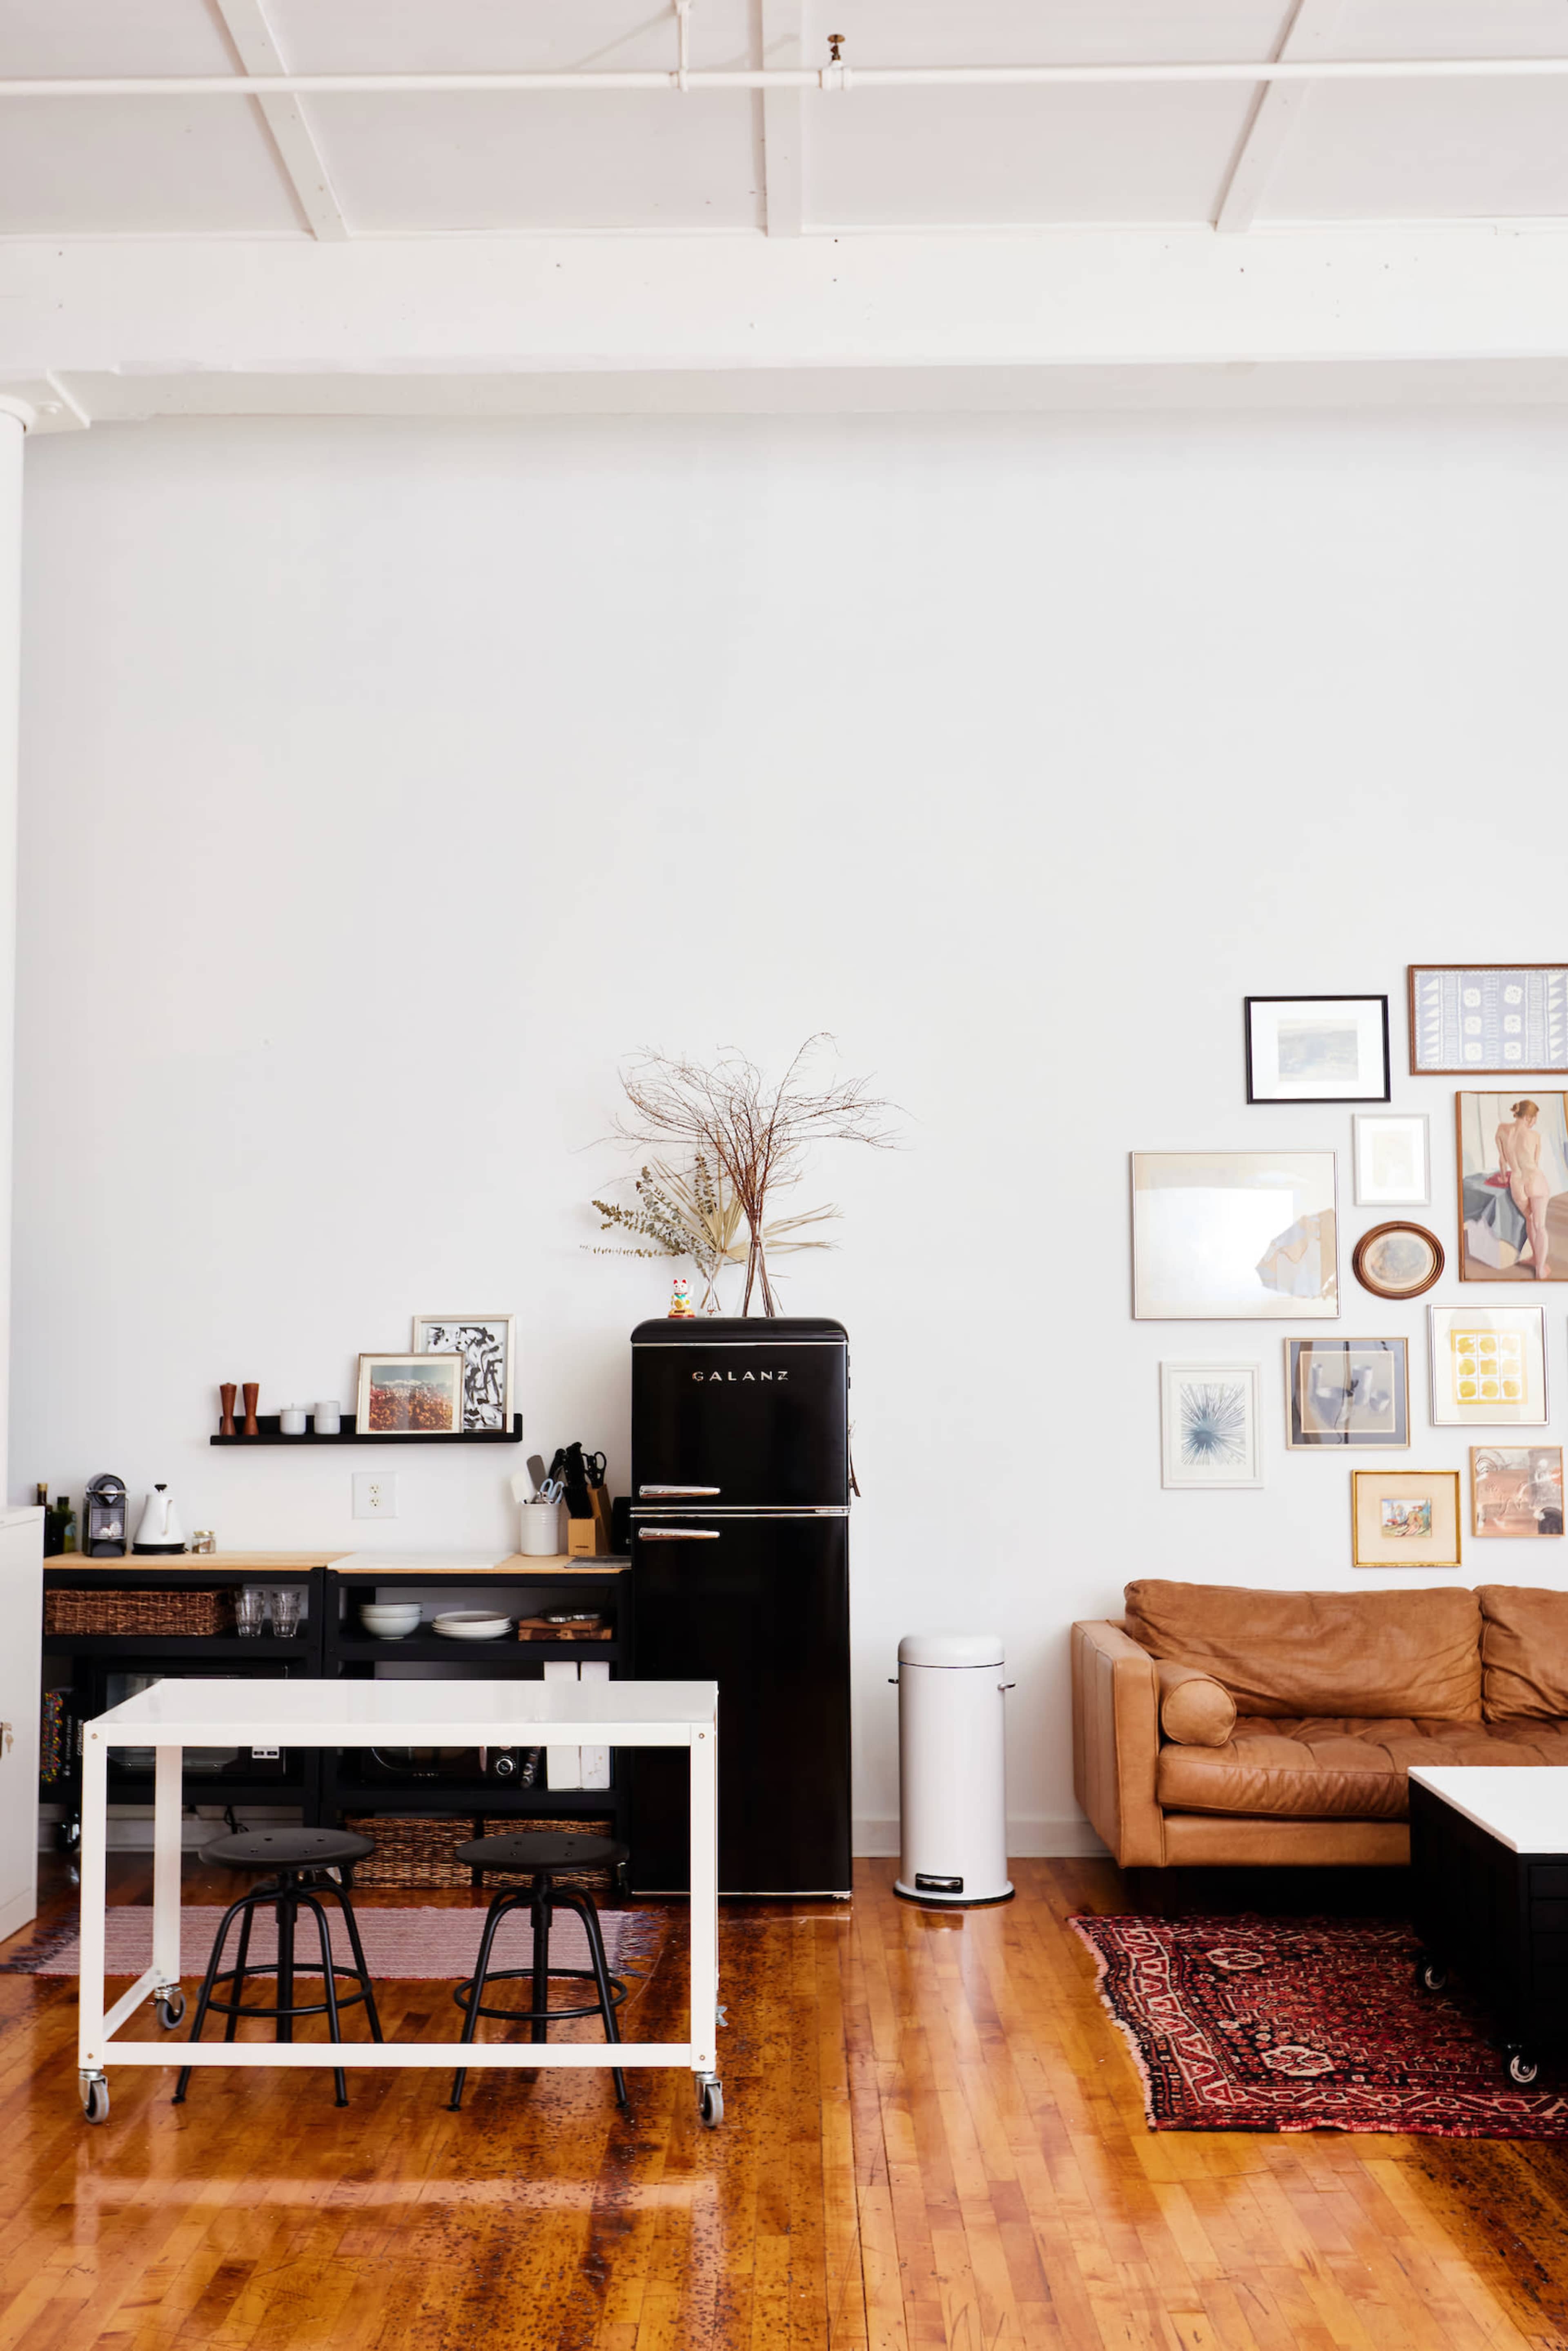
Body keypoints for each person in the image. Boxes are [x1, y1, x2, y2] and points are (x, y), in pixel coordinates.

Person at [1496, 1100, 1552, 1279]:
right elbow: (1535, 1163)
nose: (1535, 1122)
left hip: (1517, 1183)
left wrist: (1504, 1177)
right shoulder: (1534, 1136)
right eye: (1535, 1118)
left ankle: (1536, 1257)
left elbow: (1503, 1161)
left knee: (1529, 1220)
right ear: (1529, 1117)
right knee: (1540, 1226)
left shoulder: (1502, 1130)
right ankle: (1540, 1268)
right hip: (1534, 1181)